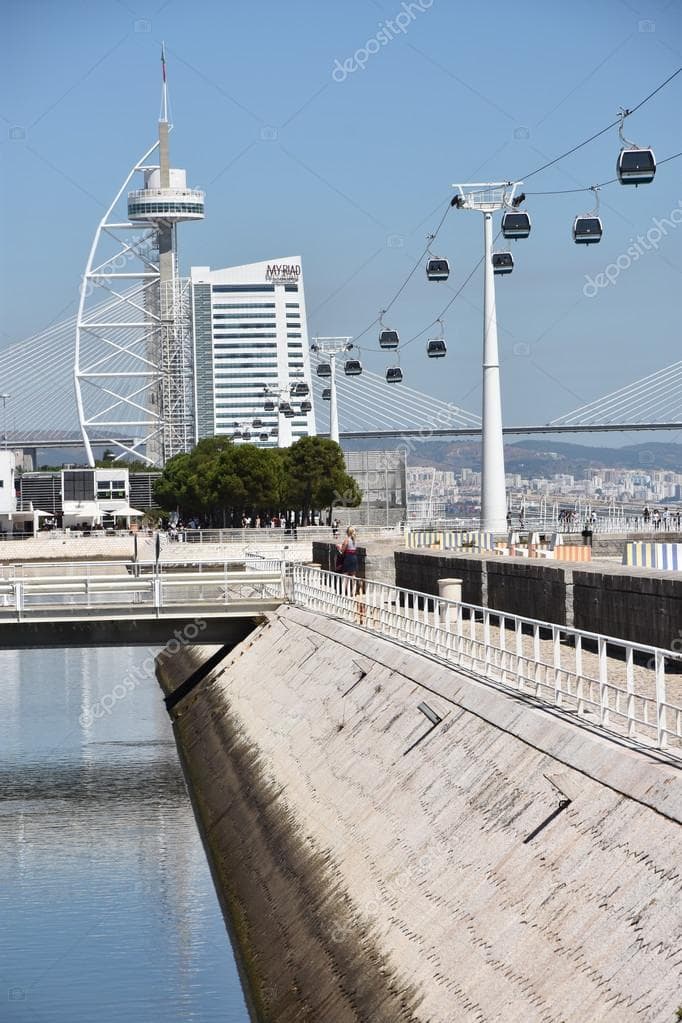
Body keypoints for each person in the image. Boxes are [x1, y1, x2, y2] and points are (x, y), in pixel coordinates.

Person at [338, 526, 359, 590]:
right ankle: (353, 592)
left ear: (348, 532)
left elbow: (342, 551)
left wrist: (338, 547)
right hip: (354, 558)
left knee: (345, 575)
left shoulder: (347, 540)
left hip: (348, 558)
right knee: (353, 576)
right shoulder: (355, 540)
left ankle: (344, 592)